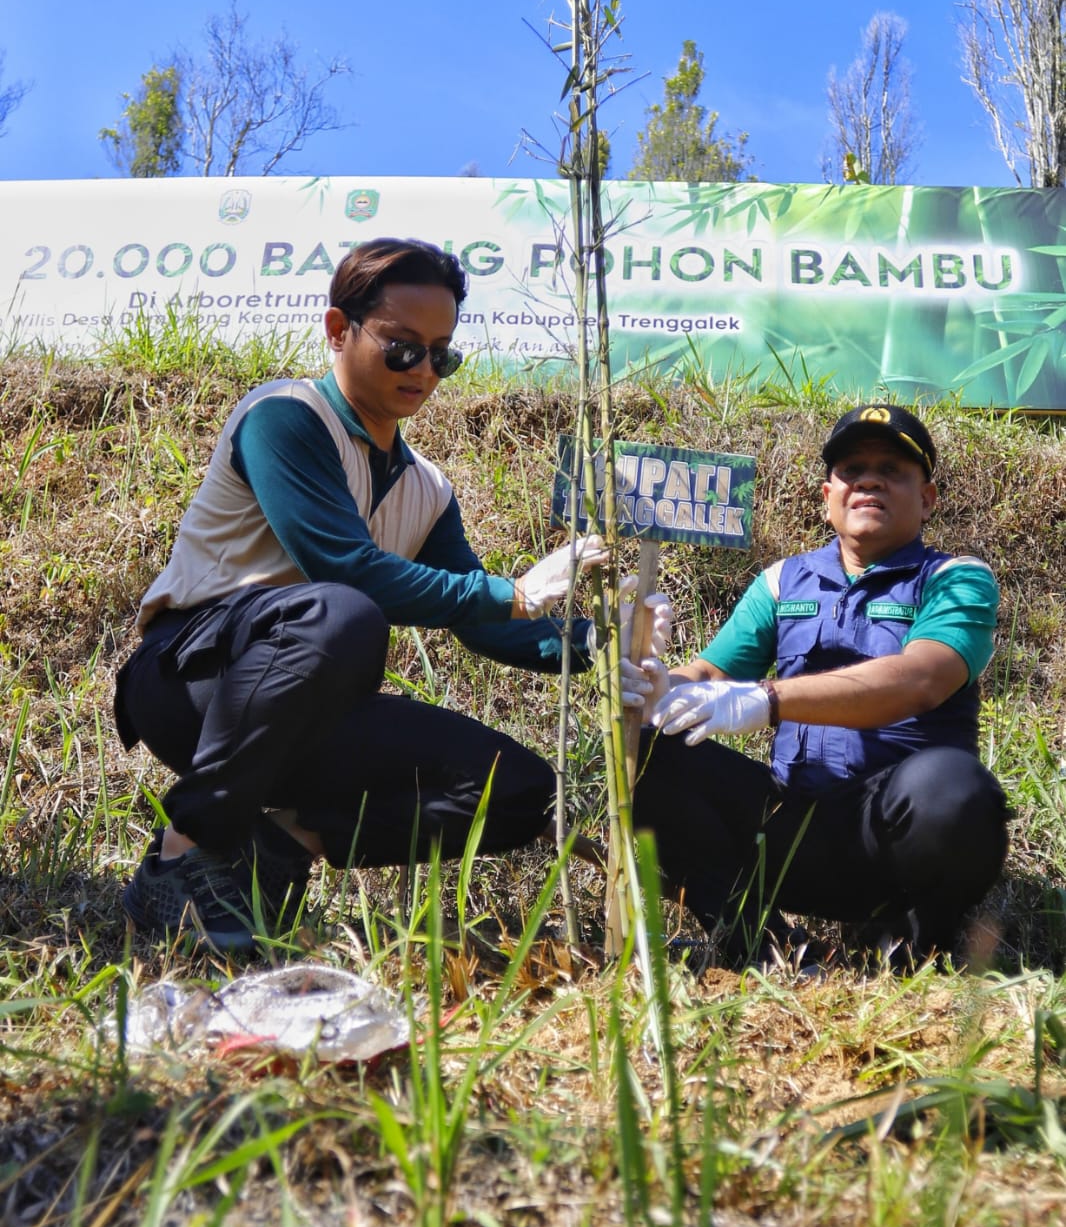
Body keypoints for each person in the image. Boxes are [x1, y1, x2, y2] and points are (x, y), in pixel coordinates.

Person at [115, 237, 613, 951]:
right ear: (338, 330)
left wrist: (598, 647)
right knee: (345, 613)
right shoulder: (285, 418)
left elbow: (484, 625)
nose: (424, 371)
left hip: (308, 705)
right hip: (191, 681)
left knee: (520, 790)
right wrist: (518, 593)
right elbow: (347, 569)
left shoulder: (427, 489)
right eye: (403, 347)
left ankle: (275, 850)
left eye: (442, 355)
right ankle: (182, 853)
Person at [628, 403, 1010, 968]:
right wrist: (657, 681)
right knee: (644, 754)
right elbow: (709, 674)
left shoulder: (957, 580)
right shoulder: (783, 581)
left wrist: (768, 700)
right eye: (852, 469)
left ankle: (919, 946)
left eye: (893, 469)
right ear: (826, 496)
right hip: (790, 830)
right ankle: (768, 948)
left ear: (927, 499)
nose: (870, 479)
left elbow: (922, 678)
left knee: (956, 786)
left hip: (896, 830)